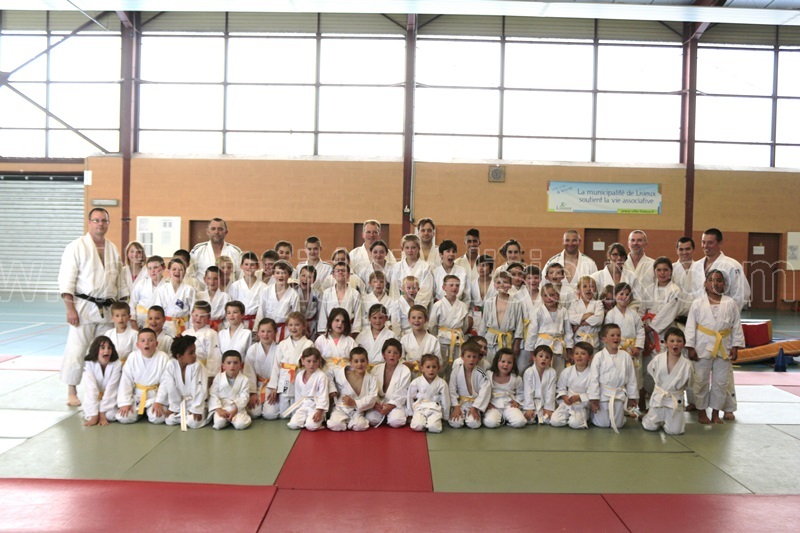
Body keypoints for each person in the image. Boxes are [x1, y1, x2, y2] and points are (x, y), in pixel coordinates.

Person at [58, 207, 123, 406]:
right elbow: (67, 280)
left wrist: (120, 309)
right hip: (83, 308)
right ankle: (72, 391)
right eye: (96, 220)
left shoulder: (112, 248)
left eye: (103, 220)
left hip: (107, 310)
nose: (100, 224)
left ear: (108, 223)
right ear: (89, 223)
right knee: (77, 350)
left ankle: (101, 391)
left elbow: (119, 281)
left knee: (104, 351)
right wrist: (70, 309)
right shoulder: (76, 247)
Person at [685, 269, 745, 424]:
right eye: (711, 280)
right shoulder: (698, 303)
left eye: (719, 280)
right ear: (705, 283)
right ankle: (701, 412)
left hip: (724, 347)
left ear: (724, 284)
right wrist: (690, 346)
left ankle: (716, 412)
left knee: (721, 382)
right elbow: (690, 326)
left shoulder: (730, 303)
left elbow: (736, 326)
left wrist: (736, 346)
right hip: (702, 346)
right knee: (700, 380)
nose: (715, 283)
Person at [641, 327, 693, 435]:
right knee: (650, 427)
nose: (675, 344)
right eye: (672, 341)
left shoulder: (687, 364)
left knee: (675, 431)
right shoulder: (658, 359)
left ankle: (667, 420)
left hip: (674, 399)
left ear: (684, 344)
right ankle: (649, 417)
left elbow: (689, 383)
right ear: (665, 343)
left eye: (679, 341)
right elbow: (650, 370)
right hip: (659, 397)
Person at [588, 323, 639, 433]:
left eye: (618, 335)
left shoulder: (626, 356)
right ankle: (593, 415)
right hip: (603, 395)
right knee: (602, 424)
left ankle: (621, 416)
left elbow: (631, 378)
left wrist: (632, 397)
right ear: (604, 339)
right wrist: (594, 399)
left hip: (618, 395)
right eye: (612, 335)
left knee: (618, 424)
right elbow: (593, 379)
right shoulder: (599, 356)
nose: (616, 338)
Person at [116, 328, 170, 424]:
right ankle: (140, 413)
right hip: (137, 396)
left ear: (156, 343)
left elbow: (166, 382)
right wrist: (125, 403)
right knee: (124, 417)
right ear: (137, 345)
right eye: (143, 340)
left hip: (154, 396)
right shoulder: (133, 357)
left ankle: (147, 411)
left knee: (157, 418)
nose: (146, 343)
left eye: (150, 340)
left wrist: (159, 401)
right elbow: (126, 380)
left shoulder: (163, 357)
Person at [604, 283, 645, 406]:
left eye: (627, 294)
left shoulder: (634, 314)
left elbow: (640, 331)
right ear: (615, 296)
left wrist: (638, 347)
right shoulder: (611, 314)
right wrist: (615, 347)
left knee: (634, 376)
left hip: (633, 350)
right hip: (617, 349)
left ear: (630, 298)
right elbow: (608, 332)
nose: (624, 297)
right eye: (621, 294)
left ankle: (632, 405)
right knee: (619, 375)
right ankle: (619, 404)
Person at [155, 335, 209, 430]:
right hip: (181, 403)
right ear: (179, 356)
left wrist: (196, 409)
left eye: (194, 351)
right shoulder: (171, 365)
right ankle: (184, 415)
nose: (194, 355)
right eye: (191, 353)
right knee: (169, 420)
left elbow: (200, 390)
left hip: (196, 402)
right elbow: (170, 388)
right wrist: (174, 408)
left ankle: (190, 415)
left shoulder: (197, 366)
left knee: (193, 422)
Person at [690, 228, 751, 310]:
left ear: (720, 243)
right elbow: (694, 293)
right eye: (703, 242)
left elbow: (742, 294)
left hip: (724, 313)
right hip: (701, 313)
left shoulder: (732, 265)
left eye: (710, 243)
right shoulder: (696, 266)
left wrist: (728, 312)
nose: (705, 246)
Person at [268, 312, 314, 416]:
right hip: (285, 379)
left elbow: (312, 366)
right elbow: (276, 366)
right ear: (287, 326)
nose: (293, 328)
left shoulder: (309, 344)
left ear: (303, 326)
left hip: (300, 377)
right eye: (291, 325)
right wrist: (274, 387)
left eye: (297, 325)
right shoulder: (283, 344)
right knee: (284, 412)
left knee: (297, 411)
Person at [525, 282, 573, 376]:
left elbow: (568, 331)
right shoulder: (538, 311)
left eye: (552, 295)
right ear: (542, 297)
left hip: (558, 345)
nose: (549, 298)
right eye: (545, 296)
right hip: (542, 345)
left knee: (559, 371)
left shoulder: (563, 311)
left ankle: (557, 386)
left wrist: (569, 349)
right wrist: (531, 351)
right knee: (542, 371)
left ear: (558, 296)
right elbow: (532, 331)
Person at [327, 347, 378, 431]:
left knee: (361, 426)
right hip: (341, 408)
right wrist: (332, 389)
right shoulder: (343, 373)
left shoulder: (371, 379)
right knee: (335, 425)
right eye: (356, 361)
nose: (360, 364)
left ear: (367, 361)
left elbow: (373, 397)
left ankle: (349, 423)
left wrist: (355, 403)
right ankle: (346, 423)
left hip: (357, 411)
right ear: (350, 362)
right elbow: (329, 373)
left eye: (362, 361)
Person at [429, 274, 471, 377]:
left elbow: (465, 326)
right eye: (451, 285)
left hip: (457, 341)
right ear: (444, 287)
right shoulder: (437, 305)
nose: (454, 288)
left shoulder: (463, 306)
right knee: (441, 366)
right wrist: (439, 336)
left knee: (456, 368)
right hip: (442, 341)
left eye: (457, 285)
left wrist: (457, 333)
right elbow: (432, 326)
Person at [366, 338, 411, 428]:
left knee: (396, 421)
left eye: (395, 353)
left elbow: (403, 393)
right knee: (371, 419)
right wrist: (375, 404)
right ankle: (384, 417)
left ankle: (389, 416)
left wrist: (390, 406)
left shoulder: (405, 371)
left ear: (400, 356)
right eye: (389, 352)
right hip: (379, 403)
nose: (392, 355)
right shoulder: (376, 369)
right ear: (383, 354)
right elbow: (370, 389)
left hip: (395, 404)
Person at [479, 271, 524, 359]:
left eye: (505, 282)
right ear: (494, 285)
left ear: (510, 285)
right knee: (489, 363)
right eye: (498, 282)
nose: (502, 285)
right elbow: (483, 323)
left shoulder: (516, 303)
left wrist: (517, 344)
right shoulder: (489, 302)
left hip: (507, 341)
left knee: (505, 363)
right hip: (490, 340)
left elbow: (519, 325)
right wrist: (480, 341)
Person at [551, 341, 593, 429]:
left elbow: (593, 392)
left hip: (582, 404)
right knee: (555, 421)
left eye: (583, 354)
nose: (579, 356)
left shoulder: (593, 373)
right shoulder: (567, 371)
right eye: (576, 353)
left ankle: (581, 417)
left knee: (575, 424)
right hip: (568, 402)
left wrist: (579, 397)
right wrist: (564, 397)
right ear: (573, 356)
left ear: (590, 357)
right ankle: (570, 416)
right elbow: (560, 388)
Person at [244, 318, 280, 420]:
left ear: (275, 333)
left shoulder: (279, 348)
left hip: (273, 386)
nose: (265, 334)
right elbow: (249, 372)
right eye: (262, 331)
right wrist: (252, 393)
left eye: (269, 331)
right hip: (258, 385)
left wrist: (275, 388)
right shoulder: (253, 349)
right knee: (253, 413)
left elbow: (281, 371)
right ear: (258, 333)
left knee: (270, 415)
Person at [448, 342, 491, 429]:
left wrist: (475, 407)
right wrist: (456, 407)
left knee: (473, 424)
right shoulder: (456, 371)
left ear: (478, 358)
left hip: (474, 403)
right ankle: (462, 416)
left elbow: (485, 391)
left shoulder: (481, 373)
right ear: (462, 356)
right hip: (460, 403)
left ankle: (474, 414)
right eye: (468, 356)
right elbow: (452, 390)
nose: (471, 359)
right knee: (455, 423)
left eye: (474, 357)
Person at [81, 336, 122, 427]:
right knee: (90, 415)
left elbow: (112, 387)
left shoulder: (116, 364)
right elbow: (91, 388)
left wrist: (102, 412)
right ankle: (94, 413)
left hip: (111, 398)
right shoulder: (89, 363)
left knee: (110, 416)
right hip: (93, 398)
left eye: (109, 348)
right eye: (102, 348)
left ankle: (102, 411)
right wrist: (94, 415)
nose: (106, 351)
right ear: (96, 350)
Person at [285, 347, 329, 431]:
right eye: (308, 361)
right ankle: (305, 419)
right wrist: (299, 409)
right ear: (303, 361)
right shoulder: (299, 375)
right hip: (303, 405)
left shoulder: (321, 376)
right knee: (293, 425)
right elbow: (298, 394)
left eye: (315, 361)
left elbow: (323, 395)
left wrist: (319, 411)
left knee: (311, 426)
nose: (312, 364)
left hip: (316, 407)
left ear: (319, 361)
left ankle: (313, 420)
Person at [190, 218, 242, 284]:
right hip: (202, 290)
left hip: (229, 290)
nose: (216, 232)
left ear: (226, 232)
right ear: (207, 232)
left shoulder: (235, 252)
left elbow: (240, 277)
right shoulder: (198, 250)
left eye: (220, 229)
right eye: (213, 229)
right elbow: (190, 275)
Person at [483, 348, 526, 429]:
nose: (506, 365)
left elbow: (521, 393)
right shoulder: (488, 375)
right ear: (497, 362)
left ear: (513, 364)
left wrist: (517, 401)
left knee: (520, 422)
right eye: (503, 361)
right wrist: (486, 403)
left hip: (509, 405)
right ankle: (500, 418)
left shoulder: (516, 378)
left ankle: (507, 418)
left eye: (509, 362)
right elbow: (482, 391)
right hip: (493, 405)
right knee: (491, 423)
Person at [591, 243, 642, 310]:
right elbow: (590, 299)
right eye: (615, 255)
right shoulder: (596, 277)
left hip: (626, 313)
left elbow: (637, 300)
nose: (619, 258)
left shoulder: (631, 276)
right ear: (608, 255)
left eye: (622, 255)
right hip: (602, 313)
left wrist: (625, 312)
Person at [258, 260, 300, 341]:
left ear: (289, 275)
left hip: (286, 332)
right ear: (273, 274)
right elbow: (261, 311)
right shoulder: (266, 291)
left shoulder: (294, 295)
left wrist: (294, 333)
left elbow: (296, 316)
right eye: (277, 273)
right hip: (267, 331)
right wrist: (257, 330)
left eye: (284, 273)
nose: (280, 276)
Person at [209, 351, 251, 430]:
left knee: (240, 425)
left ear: (240, 365)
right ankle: (228, 420)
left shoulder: (244, 379)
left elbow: (245, 397)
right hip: (222, 407)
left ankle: (232, 420)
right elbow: (213, 394)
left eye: (235, 363)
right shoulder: (218, 377)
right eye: (228, 363)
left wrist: (235, 410)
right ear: (223, 366)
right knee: (218, 424)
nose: (232, 366)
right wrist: (219, 409)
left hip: (237, 408)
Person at [315, 308, 357, 389]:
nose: (340, 323)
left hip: (345, 375)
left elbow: (355, 358)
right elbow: (316, 359)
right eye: (337, 320)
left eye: (343, 322)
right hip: (325, 374)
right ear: (330, 321)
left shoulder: (350, 341)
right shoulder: (321, 339)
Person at [407, 354, 450, 433]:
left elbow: (445, 400)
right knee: (418, 426)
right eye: (428, 367)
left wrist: (445, 416)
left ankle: (430, 423)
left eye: (434, 367)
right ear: (421, 368)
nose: (431, 370)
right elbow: (410, 397)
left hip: (435, 409)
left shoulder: (442, 383)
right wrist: (410, 413)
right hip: (420, 408)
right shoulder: (416, 382)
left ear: (438, 368)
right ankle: (423, 423)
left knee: (435, 428)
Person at [317, 262, 363, 335]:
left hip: (348, 331)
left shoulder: (355, 293)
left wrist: (354, 334)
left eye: (343, 270)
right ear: (333, 274)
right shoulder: (327, 293)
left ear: (348, 274)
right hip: (330, 332)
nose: (340, 272)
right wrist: (324, 332)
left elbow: (358, 316)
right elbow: (323, 314)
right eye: (337, 271)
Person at [154, 258, 195, 336]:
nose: (177, 272)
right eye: (174, 269)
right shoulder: (162, 289)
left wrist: (191, 330)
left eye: (180, 269)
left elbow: (193, 312)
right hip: (166, 325)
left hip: (184, 325)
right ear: (169, 271)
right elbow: (158, 311)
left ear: (185, 272)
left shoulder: (189, 290)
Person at [391, 234, 434, 308]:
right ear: (403, 249)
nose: (410, 251)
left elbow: (426, 291)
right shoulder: (397, 267)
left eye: (413, 247)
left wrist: (416, 307)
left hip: (419, 308)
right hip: (401, 308)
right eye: (407, 248)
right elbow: (394, 291)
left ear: (418, 248)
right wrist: (400, 306)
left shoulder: (425, 267)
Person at [182, 300, 222, 378]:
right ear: (191, 315)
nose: (198, 318)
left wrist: (211, 376)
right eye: (196, 315)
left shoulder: (211, 334)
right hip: (186, 372)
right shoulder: (185, 333)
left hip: (202, 372)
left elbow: (214, 357)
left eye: (202, 316)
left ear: (208, 318)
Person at [228, 251, 267, 331]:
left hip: (256, 323)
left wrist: (257, 328)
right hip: (238, 322)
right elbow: (231, 307)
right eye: (246, 264)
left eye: (252, 265)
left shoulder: (264, 287)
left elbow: (263, 310)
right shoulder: (235, 286)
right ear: (241, 266)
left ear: (257, 266)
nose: (249, 267)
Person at [567, 275, 604, 353]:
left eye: (592, 286)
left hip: (593, 342)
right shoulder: (574, 304)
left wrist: (580, 323)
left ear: (595, 289)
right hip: (579, 340)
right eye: (584, 286)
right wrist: (588, 315)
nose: (588, 289)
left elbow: (598, 320)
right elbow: (571, 318)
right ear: (578, 290)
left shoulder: (598, 303)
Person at [523, 345, 557, 425]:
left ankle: (543, 412)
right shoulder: (529, 372)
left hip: (544, 402)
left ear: (550, 360)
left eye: (547, 357)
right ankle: (531, 411)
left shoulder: (552, 372)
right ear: (534, 358)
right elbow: (528, 391)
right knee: (529, 420)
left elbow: (551, 391)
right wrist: (529, 408)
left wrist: (548, 408)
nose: (544, 359)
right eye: (541, 356)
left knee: (549, 421)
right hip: (532, 402)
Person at [401, 304, 440, 373]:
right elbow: (401, 359)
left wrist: (426, 365)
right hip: (409, 374)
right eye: (413, 317)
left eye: (420, 318)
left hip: (428, 374)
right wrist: (407, 364)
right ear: (409, 319)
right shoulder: (404, 339)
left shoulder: (433, 340)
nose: (416, 320)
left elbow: (439, 361)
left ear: (426, 319)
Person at [129, 255, 165, 329]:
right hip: (140, 323)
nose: (152, 271)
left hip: (160, 325)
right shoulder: (141, 284)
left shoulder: (168, 285)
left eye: (155, 267)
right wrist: (134, 324)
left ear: (163, 268)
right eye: (149, 268)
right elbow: (132, 304)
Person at [468, 255, 494, 335]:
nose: (481, 268)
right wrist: (470, 317)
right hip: (475, 318)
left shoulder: (496, 284)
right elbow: (469, 304)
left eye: (484, 265)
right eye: (479, 265)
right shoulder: (471, 284)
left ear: (491, 268)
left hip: (491, 318)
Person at [672, 236, 696, 320]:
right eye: (681, 249)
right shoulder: (671, 269)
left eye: (687, 249)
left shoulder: (700, 268)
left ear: (693, 249)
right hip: (675, 315)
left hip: (696, 314)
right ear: (677, 250)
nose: (684, 252)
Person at [625, 230, 655, 295]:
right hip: (624, 301)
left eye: (639, 240)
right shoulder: (622, 264)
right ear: (628, 244)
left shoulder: (653, 265)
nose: (635, 243)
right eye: (632, 240)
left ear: (645, 244)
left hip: (647, 301)